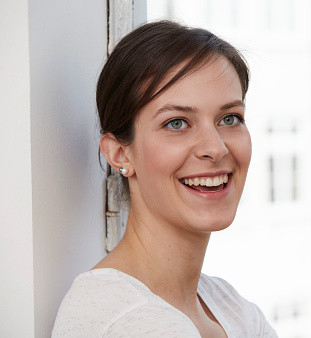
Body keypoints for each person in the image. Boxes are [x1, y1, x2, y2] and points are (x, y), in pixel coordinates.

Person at [52, 20, 277, 337]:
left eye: (230, 118)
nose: (216, 147)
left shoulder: (229, 307)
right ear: (120, 154)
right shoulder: (128, 319)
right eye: (177, 123)